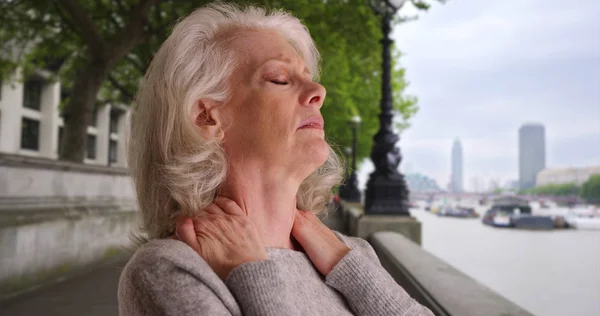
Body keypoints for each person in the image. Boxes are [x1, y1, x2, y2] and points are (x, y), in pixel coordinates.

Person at [118, 3, 434, 316]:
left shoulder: (352, 256)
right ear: (206, 118)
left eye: (309, 78)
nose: (318, 91)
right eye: (280, 79)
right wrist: (252, 275)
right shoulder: (169, 270)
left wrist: (352, 270)